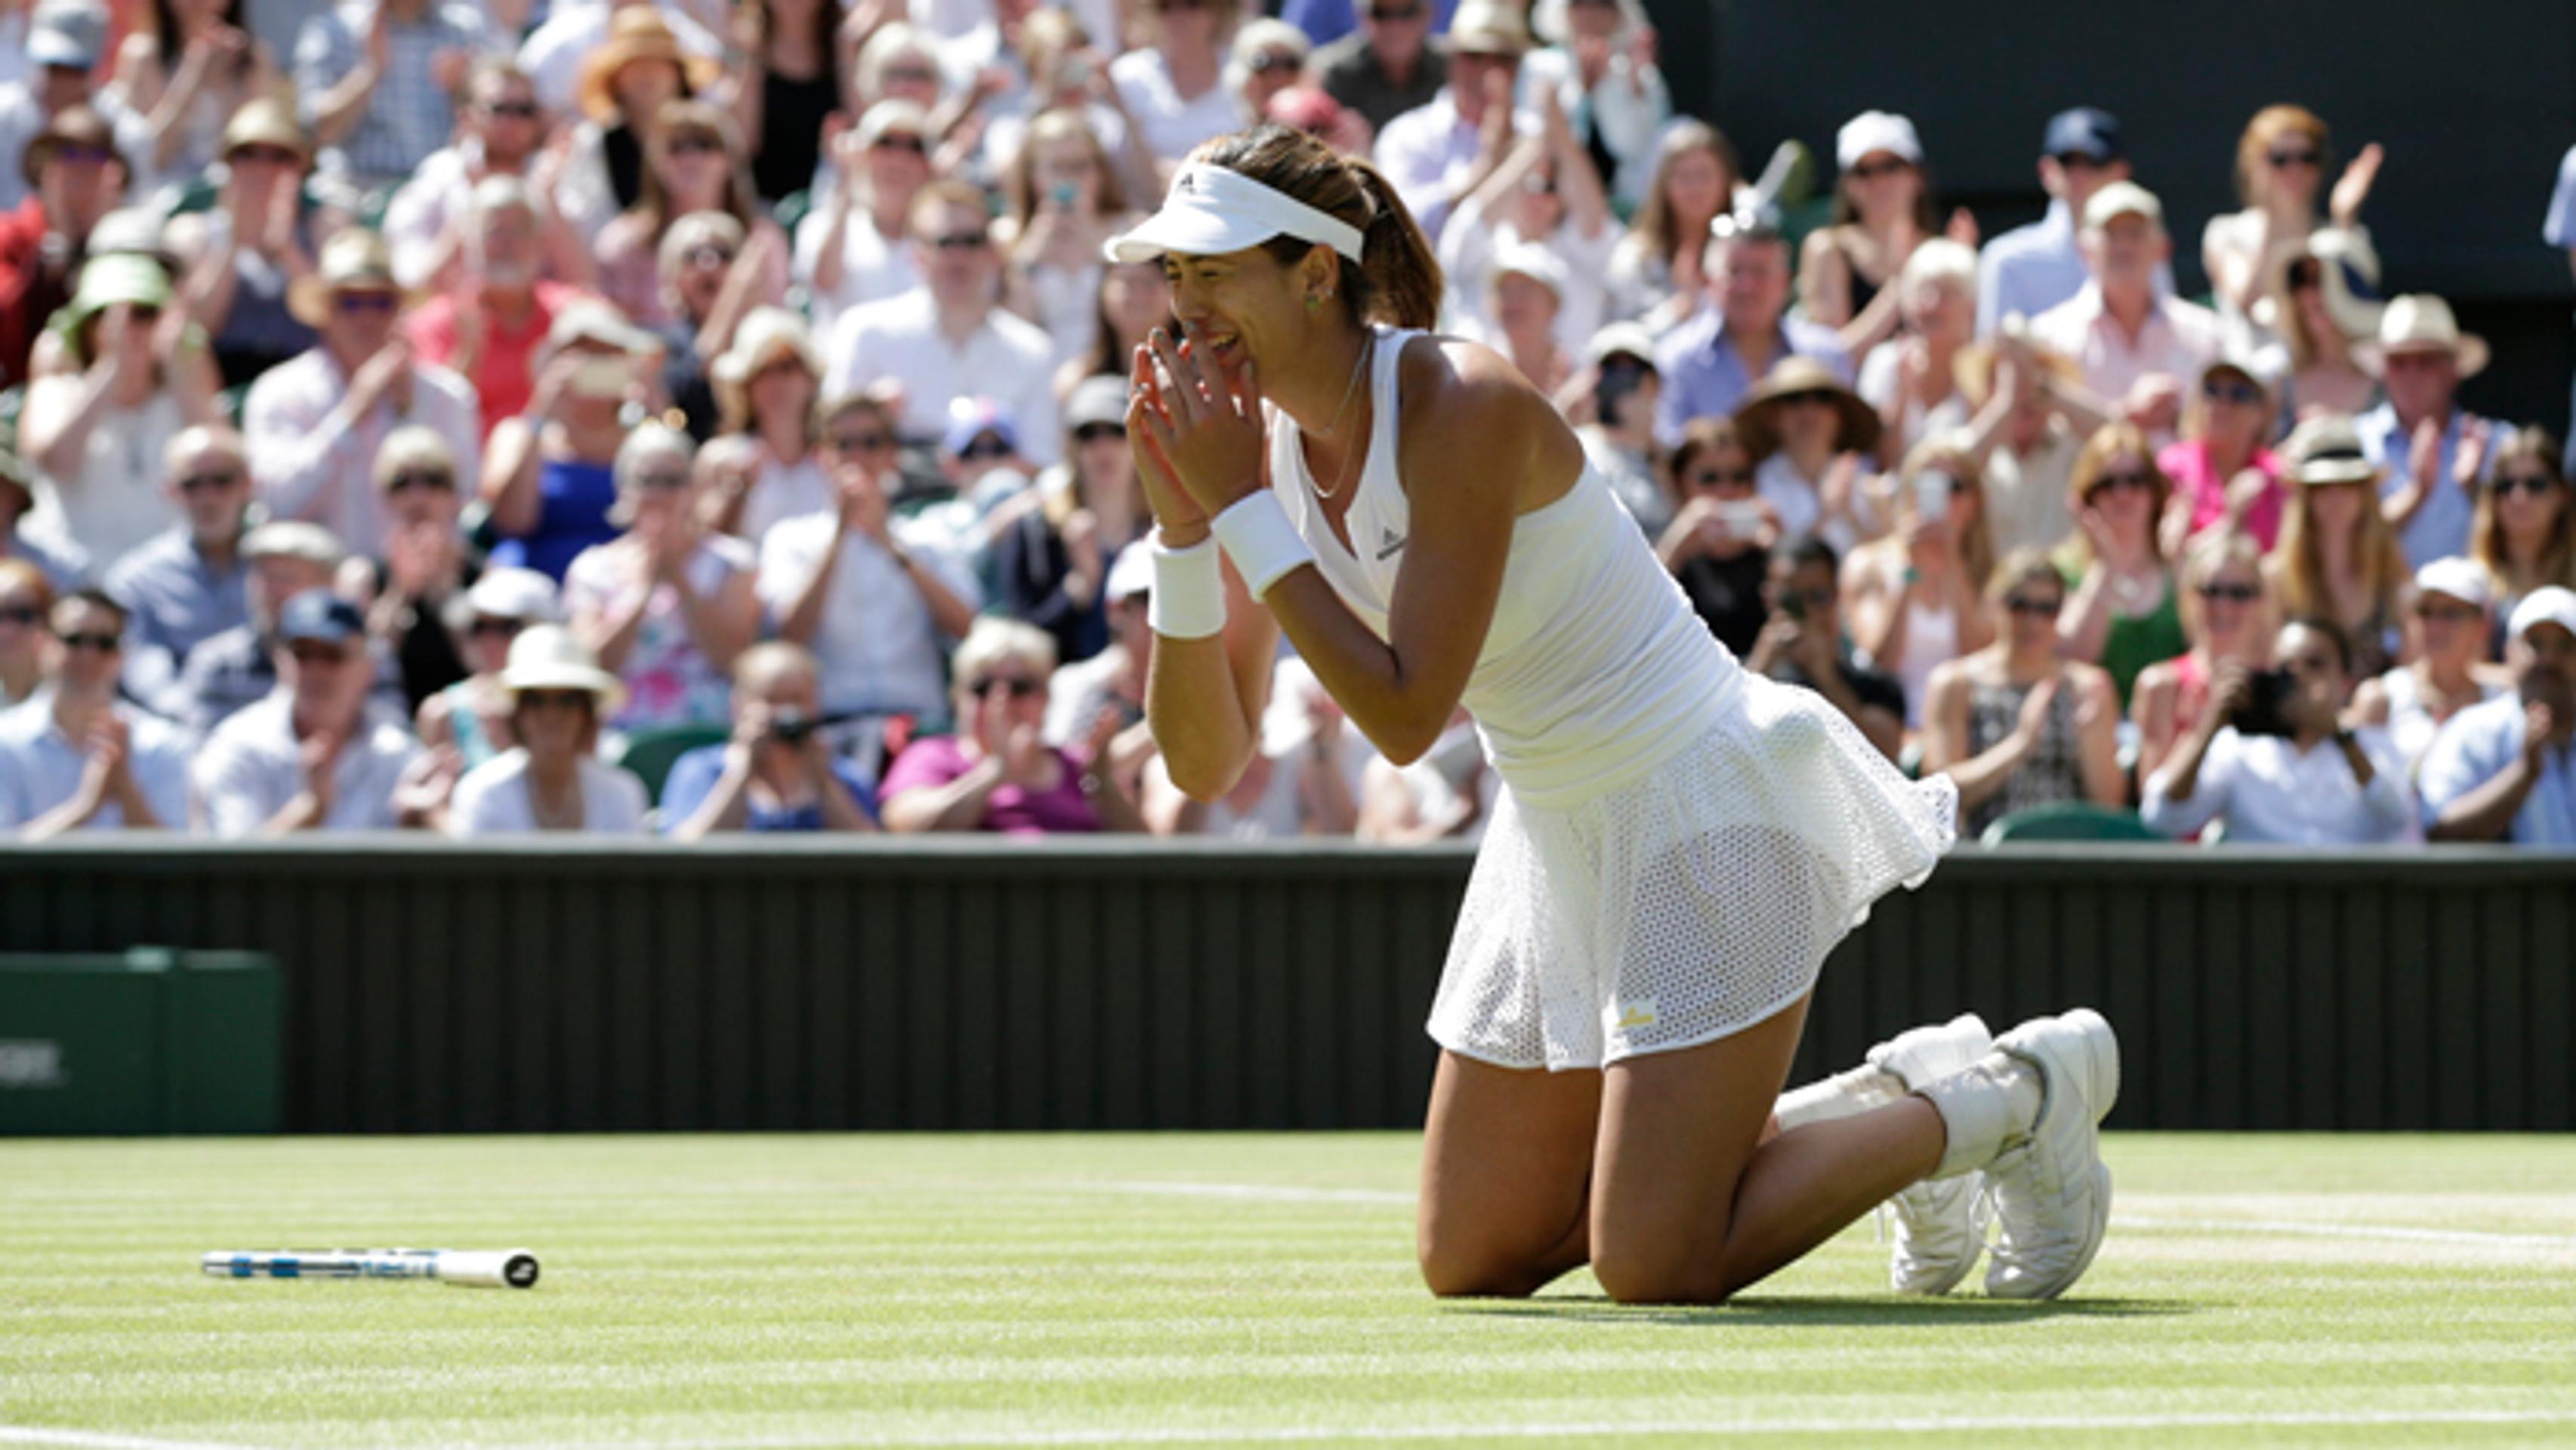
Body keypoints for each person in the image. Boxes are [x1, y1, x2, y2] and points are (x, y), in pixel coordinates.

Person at [1113, 123, 2115, 1305]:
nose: (1185, 305)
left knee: (1652, 1260)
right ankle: (1891, 1103)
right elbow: (1203, 761)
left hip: (1701, 800)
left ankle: (2014, 1095)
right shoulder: (1261, 456)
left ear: (1315, 275)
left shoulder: (1457, 402)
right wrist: (1182, 530)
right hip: (1556, 829)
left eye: (1215, 270)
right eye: (1173, 273)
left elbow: (1403, 713)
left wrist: (1237, 507)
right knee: (1471, 1258)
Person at [756, 392, 982, 749]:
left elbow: (967, 628)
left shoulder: (931, 535)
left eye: (871, 442)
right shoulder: (790, 539)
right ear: (821, 455)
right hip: (829, 729)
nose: (857, 456)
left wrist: (888, 543)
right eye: (843, 444)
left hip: (918, 726)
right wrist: (838, 537)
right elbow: (788, 634)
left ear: (892, 455)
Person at [242, 228, 480, 553]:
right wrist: (351, 415)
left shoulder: (447, 396)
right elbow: (277, 503)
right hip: (319, 578)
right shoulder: (280, 392)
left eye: (382, 302)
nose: (367, 317)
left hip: (422, 577)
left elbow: (463, 506)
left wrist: (408, 415)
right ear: (326, 311)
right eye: (350, 302)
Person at [821, 179, 1061, 463]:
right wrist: (871, 417)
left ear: (992, 253)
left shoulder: (1032, 350)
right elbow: (831, 444)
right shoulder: (866, 333)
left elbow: (1042, 458)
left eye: (972, 241)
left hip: (998, 485)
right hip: (895, 485)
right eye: (944, 243)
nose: (958, 257)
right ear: (917, 255)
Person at [19, 252, 219, 570]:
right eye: (104, 316)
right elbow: (56, 461)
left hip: (164, 584)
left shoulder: (184, 395)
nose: (129, 329)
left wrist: (179, 365)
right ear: (86, 327)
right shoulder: (57, 390)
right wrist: (111, 367)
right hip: (70, 577)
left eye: (144, 314)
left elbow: (223, 463)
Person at [2142, 615, 2409, 845]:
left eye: (2315, 664)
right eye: (2286, 667)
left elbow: (2398, 816)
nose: (2299, 678)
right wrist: (2209, 727)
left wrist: (2340, 737)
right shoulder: (2238, 747)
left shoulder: (2370, 743)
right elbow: (2161, 814)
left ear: (2345, 683)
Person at [563, 422, 758, 733]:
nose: (659, 494)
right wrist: (644, 590)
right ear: (624, 488)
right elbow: (592, 667)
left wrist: (679, 579)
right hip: (621, 736)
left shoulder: (733, 562)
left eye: (672, 481)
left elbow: (730, 660)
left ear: (693, 488)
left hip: (708, 733)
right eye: (646, 481)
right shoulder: (592, 569)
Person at [879, 615, 1146, 833]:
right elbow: (907, 829)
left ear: (1046, 698)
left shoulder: (1080, 765)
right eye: (983, 687)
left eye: (1020, 687)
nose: (1001, 700)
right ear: (958, 697)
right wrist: (996, 771)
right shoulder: (932, 756)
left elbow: (1143, 856)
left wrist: (1103, 785)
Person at [1921, 550, 2122, 839]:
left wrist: (2090, 737)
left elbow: (2108, 806)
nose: (2033, 621)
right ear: (1995, 603)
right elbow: (1940, 793)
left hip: (2068, 851)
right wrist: (2019, 745)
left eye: (2047, 609)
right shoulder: (1956, 684)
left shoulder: (2086, 687)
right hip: (1984, 852)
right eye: (2019, 605)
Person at [193, 588, 418, 835]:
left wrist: (421, 820)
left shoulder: (398, 754)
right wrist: (310, 807)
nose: (315, 669)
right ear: (280, 660)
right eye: (303, 654)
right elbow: (230, 858)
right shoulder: (239, 746)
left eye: (331, 655)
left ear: (368, 667)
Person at [480, 300, 663, 582]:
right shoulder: (518, 433)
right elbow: (512, 520)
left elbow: (674, 518)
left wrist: (656, 406)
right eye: (582, 356)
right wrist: (540, 413)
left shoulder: (643, 435)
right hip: (532, 584)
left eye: (607, 356)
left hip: (621, 586)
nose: (594, 367)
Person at [2028, 182, 2220, 440]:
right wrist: (2128, 415)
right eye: (2111, 234)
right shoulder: (2048, 338)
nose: (2124, 246)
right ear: (2083, 249)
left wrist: (2181, 417)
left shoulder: (2208, 334)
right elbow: (2041, 440)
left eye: (2135, 233)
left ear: (2163, 248)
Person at [402, 176, 588, 439]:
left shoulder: (573, 313)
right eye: (494, 232)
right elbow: (428, 424)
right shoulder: (433, 324)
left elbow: (622, 377)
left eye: (519, 231)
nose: (507, 244)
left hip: (555, 459)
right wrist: (469, 353)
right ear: (468, 242)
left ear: (541, 243)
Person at [0, 586, 190, 836]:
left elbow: (176, 854)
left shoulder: (161, 743)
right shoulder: (5, 740)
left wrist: (125, 787)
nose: (89, 654)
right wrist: (84, 806)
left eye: (105, 643)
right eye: (74, 640)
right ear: (42, 644)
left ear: (121, 655)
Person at [1436, 88, 1611, 356]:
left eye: (1548, 187)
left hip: (1567, 381)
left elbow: (1594, 219)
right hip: (1483, 379)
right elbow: (1475, 212)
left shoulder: (1578, 246)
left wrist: (1561, 133)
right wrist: (1537, 140)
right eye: (1527, 183)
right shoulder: (1482, 243)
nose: (1536, 196)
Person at [1654, 211, 1850, 449]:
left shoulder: (1825, 354)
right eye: (1734, 271)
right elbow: (1667, 448)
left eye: (1760, 272)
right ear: (1709, 281)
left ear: (1785, 282)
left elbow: (1852, 449)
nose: (1747, 286)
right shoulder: (1676, 358)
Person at [381, 60, 581, 292]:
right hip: (456, 311)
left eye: (524, 110)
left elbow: (585, 286)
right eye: (498, 109)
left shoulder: (552, 179)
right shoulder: (438, 176)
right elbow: (415, 287)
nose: (512, 121)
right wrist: (476, 208)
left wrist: (548, 202)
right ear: (466, 117)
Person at [1840, 435, 1995, 733]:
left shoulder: (1990, 574)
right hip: (1889, 732)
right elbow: (1881, 660)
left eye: (1955, 487)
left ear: (1976, 500)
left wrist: (1953, 562)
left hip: (1962, 731)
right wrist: (1910, 570)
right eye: (1927, 484)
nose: (1943, 498)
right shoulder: (1868, 564)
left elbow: (1976, 659)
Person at [991, 375, 1146, 667]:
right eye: (1088, 435)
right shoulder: (1036, 530)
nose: (1103, 447)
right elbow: (1023, 639)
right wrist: (1078, 587)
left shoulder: (1166, 528)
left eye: (1116, 431)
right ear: (1071, 447)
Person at [165, 99, 320, 390]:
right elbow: (195, 331)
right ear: (229, 164)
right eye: (248, 154)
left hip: (305, 386)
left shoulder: (322, 228)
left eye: (279, 157)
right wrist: (231, 244)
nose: (263, 168)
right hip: (220, 382)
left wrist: (288, 250)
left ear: (300, 167)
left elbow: (333, 322)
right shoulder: (193, 232)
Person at [594, 100, 787, 333]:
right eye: (676, 147)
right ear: (656, 162)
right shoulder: (622, 244)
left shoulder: (762, 241)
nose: (690, 157)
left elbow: (772, 323)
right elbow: (613, 329)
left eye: (704, 144)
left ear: (729, 159)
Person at [2202, 105, 2380, 357]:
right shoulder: (2226, 232)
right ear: (2253, 165)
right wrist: (2275, 213)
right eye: (2279, 159)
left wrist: (2344, 219)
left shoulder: (2339, 234)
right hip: (2252, 372)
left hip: (2317, 375)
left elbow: (2356, 311)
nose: (2295, 169)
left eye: (2307, 158)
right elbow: (2245, 301)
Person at [1801, 110, 1973, 367]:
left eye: (1891, 167)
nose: (1878, 181)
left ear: (1917, 176)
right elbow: (1831, 361)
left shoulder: (1942, 250)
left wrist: (1961, 278)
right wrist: (1898, 283)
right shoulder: (1828, 248)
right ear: (1847, 185)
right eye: (1863, 171)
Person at [445, 622, 650, 835]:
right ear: (518, 714)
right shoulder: (483, 793)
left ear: (586, 713)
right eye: (536, 701)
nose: (552, 716)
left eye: (567, 701)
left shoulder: (621, 793)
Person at [1976, 107, 2164, 338]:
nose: (2079, 175)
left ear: (2121, 171)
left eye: (2094, 162)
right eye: (2068, 163)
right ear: (2045, 170)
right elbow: (1994, 352)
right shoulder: (2006, 260)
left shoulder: (2145, 249)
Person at [662, 640, 881, 838]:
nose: (786, 712)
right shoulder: (702, 770)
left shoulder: (846, 776)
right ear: (739, 703)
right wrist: (741, 773)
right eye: (771, 699)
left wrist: (823, 780)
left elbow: (871, 853)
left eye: (797, 699)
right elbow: (686, 853)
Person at [101, 424, 251, 708]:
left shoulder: (281, 568)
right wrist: (196, 717)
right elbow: (143, 667)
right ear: (169, 490)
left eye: (222, 481)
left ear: (248, 485)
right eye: (192, 484)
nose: (208, 498)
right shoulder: (137, 579)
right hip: (175, 723)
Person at [2419, 588, 2576, 846]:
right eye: (2535, 644)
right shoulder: (2473, 730)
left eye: (2564, 646)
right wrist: (2524, 774)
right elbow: (2439, 826)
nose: (2548, 658)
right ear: (2509, 652)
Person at [403, 565, 557, 822]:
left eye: (507, 627)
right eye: (480, 626)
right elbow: (432, 811)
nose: (490, 640)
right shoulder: (441, 713)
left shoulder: (570, 708)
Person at [2355, 294, 2498, 568]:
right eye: (2398, 362)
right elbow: (2344, 543)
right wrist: (2417, 493)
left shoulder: (2497, 444)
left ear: (2453, 369)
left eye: (2426, 361)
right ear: (2383, 370)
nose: (2412, 375)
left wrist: (2475, 490)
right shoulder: (2354, 443)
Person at [162, 518, 341, 737]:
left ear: (328, 584)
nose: (274, 591)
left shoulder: (360, 660)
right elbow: (203, 745)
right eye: (266, 577)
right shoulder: (219, 664)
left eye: (288, 578)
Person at [2266, 414, 2412, 681]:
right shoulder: (2277, 579)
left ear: (2365, 494)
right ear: (2305, 498)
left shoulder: (2391, 577)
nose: (2335, 497)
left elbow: (2412, 668)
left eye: (2348, 484)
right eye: (2321, 486)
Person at [0, 101, 134, 392]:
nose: (80, 169)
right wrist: (58, 245)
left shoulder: (132, 236)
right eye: (68, 154)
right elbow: (9, 331)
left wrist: (100, 240)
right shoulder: (10, 234)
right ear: (45, 169)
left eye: (96, 155)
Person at [1370, 0, 1529, 242]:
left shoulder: (1537, 134)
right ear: (1451, 62)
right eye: (1474, 56)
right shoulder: (1406, 134)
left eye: (1502, 59)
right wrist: (1489, 162)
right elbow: (1400, 225)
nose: (1487, 69)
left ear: (1518, 68)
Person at [2056, 423, 2185, 711]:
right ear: (2087, 496)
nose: (2123, 494)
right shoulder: (2063, 570)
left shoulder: (2178, 563)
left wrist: (2178, 562)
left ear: (2155, 491)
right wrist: (2105, 568)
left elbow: (2204, 647)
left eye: (2135, 480)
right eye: (2108, 483)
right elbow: (2074, 657)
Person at [995, 107, 1137, 368]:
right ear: (1033, 175)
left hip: (1112, 369)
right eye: (1057, 168)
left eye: (1080, 166)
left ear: (1100, 171)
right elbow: (1009, 327)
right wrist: (1030, 258)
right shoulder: (1005, 236)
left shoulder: (1130, 228)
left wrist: (1095, 243)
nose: (1069, 179)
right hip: (1036, 372)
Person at [1741, 535, 1905, 761]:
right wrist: (1762, 665)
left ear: (1838, 596)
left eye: (1818, 597)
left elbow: (1885, 757)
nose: (1807, 611)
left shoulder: (1874, 685)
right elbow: (1719, 743)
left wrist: (1827, 678)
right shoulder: (1743, 678)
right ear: (1769, 598)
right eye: (1791, 600)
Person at [2130, 532, 2274, 787]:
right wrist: (2204, 727)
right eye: (2212, 591)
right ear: (2190, 598)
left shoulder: (2279, 682)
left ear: (2262, 602)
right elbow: (2154, 796)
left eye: (2240, 593)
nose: (2223, 605)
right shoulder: (2162, 686)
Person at [346, 425, 473, 712]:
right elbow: (359, 670)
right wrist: (400, 592)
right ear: (384, 496)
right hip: (383, 720)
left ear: (454, 494)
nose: (418, 495)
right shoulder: (362, 577)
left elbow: (483, 662)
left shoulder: (483, 571)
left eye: (433, 480)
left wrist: (444, 594)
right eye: (402, 482)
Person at [108, 0, 282, 201]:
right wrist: (194, 74)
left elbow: (256, 148)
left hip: (231, 194)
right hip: (159, 195)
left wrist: (222, 82)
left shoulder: (254, 59)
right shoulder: (143, 55)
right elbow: (149, 157)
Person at [2349, 558, 2511, 769]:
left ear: (2483, 625)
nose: (2435, 626)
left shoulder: (2504, 694)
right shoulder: (2382, 697)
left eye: (2450, 613)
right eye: (2425, 612)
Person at [1950, 335, 2096, 560]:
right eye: (2003, 379)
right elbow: (1954, 470)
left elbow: (2123, 438)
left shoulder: (2074, 443)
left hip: (2067, 580)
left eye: (2034, 376)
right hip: (1997, 582)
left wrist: (2049, 392)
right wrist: (2006, 403)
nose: (2024, 394)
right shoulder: (1980, 447)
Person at [794, 98, 930, 334]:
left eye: (914, 147)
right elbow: (824, 281)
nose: (899, 158)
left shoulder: (948, 237)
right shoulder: (821, 225)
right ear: (862, 153)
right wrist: (848, 178)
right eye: (885, 143)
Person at [1516, 0, 1667, 209]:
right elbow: (1532, 142)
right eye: (1580, 4)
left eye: (1603, 4)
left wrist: (1636, 88)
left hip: (1625, 208)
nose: (1591, 13)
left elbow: (1637, 151)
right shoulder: (1540, 67)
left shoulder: (1641, 73)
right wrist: (1584, 93)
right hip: (1554, 206)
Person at [1652, 415, 1775, 659]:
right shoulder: (1668, 551)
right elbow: (1640, 616)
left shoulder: (1768, 546)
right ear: (1680, 483)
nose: (1725, 490)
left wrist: (1782, 551)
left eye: (1739, 477)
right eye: (1709, 478)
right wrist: (1674, 547)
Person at [1732, 357, 1878, 555]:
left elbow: (1894, 563)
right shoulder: (1753, 485)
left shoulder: (1867, 483)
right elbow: (1775, 563)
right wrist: (1827, 512)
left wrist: (1851, 515)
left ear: (1838, 416)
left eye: (1823, 398)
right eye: (1794, 399)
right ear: (1773, 417)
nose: (1809, 412)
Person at [705, 306, 828, 539]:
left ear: (810, 379)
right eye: (761, 370)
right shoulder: (720, 458)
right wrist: (736, 495)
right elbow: (703, 547)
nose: (776, 382)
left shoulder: (838, 459)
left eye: (787, 366)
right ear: (745, 386)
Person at [1604, 119, 1733, 333]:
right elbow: (1623, 334)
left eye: (1704, 175)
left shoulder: (1744, 250)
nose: (1695, 187)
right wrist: (1681, 305)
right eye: (1684, 177)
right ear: (1664, 185)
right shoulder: (1636, 257)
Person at [1858, 238, 1976, 467]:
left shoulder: (1986, 368)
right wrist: (1901, 396)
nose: (1932, 304)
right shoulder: (1884, 364)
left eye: (1946, 293)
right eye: (1923, 292)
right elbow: (1878, 462)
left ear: (1970, 306)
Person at [2161, 353, 2288, 554]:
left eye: (2239, 394)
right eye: (2212, 391)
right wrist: (2232, 520)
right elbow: (2167, 556)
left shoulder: (2277, 476)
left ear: (2261, 413)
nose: (2222, 404)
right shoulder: (2173, 467)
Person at [2256, 227, 2381, 421]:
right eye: (2300, 280)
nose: (2309, 293)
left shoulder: (2386, 382)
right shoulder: (2274, 378)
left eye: (2319, 279)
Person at [725, 0, 843, 205]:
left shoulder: (843, 44)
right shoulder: (745, 48)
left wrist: (846, 51)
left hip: (832, 203)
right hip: (761, 207)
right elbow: (742, 143)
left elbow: (859, 127)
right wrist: (751, 57)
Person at [2468, 427, 2576, 645]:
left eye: (2535, 484)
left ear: (2562, 494)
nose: (2519, 498)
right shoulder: (2472, 584)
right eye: (2505, 486)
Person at [1109, 0, 1245, 166]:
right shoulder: (1126, 75)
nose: (1178, 16)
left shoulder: (1244, 70)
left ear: (1217, 10)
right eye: (1165, 7)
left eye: (1192, 4)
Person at [1562, 322, 1662, 535]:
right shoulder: (1577, 451)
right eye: (1611, 372)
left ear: (1653, 383)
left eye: (1632, 373)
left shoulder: (1669, 459)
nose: (1621, 384)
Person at [1312, 0, 1443, 138]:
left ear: (1429, 15)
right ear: (1361, 17)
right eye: (1380, 14)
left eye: (1407, 13)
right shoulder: (1332, 72)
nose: (1394, 25)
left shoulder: (1451, 69)